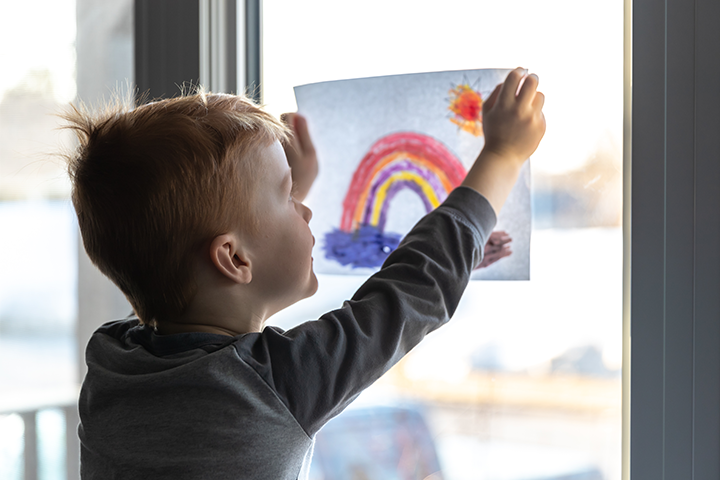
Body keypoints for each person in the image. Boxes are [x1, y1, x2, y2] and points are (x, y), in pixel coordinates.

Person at [65, 67, 545, 479]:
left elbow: (159, 264)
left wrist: (271, 198)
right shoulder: (268, 386)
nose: (307, 212)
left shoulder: (112, 360)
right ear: (233, 259)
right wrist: (501, 155)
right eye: (289, 197)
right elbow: (416, 289)